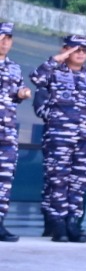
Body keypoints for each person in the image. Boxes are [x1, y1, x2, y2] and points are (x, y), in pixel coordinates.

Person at [31, 34, 86, 243]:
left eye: (84, 50)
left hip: (83, 137)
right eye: (76, 49)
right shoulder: (53, 72)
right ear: (66, 50)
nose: (81, 53)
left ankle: (73, 221)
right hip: (59, 136)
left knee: (79, 181)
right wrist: (57, 119)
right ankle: (58, 224)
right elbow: (36, 79)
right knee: (58, 180)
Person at [0, 21, 30, 242]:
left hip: (7, 132)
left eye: (8, 38)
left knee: (4, 180)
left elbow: (12, 99)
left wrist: (21, 94)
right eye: (1, 37)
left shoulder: (15, 68)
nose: (5, 42)